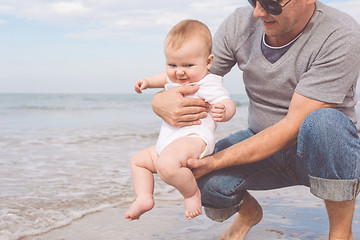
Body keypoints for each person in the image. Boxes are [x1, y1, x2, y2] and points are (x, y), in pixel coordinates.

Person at [152, 0, 360, 239]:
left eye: (271, 4)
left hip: (320, 151)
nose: (258, 12)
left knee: (325, 123)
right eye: (254, 0)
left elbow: (293, 126)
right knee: (193, 171)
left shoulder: (341, 35)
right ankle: (249, 213)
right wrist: (159, 102)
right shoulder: (241, 23)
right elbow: (192, 77)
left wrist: (215, 161)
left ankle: (341, 232)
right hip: (260, 139)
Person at [125, 19, 236, 221]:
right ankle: (143, 197)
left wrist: (225, 111)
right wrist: (148, 82)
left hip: (194, 139)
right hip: (168, 144)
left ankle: (192, 194)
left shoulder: (207, 83)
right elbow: (163, 78)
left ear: (208, 62)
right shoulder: (174, 79)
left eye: (188, 65)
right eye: (172, 64)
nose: (179, 71)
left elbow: (226, 101)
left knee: (166, 166)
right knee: (138, 162)